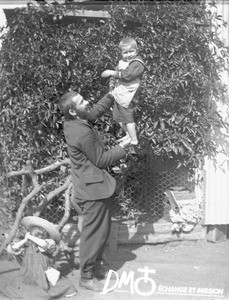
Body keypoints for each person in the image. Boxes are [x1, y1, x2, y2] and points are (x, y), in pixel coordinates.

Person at [59, 91, 130, 292]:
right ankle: (86, 276)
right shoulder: (82, 131)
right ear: (73, 110)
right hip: (91, 191)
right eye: (82, 101)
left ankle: (96, 267)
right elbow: (100, 160)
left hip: (94, 188)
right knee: (94, 235)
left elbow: (93, 113)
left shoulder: (75, 121)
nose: (87, 101)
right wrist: (123, 146)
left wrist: (111, 95)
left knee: (102, 230)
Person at [0, 216, 77, 299]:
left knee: (62, 285)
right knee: (20, 286)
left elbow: (44, 244)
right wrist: (25, 240)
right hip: (29, 275)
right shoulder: (28, 245)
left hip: (44, 275)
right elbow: (12, 249)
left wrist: (31, 237)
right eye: (33, 235)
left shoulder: (49, 243)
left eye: (39, 236)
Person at [101, 37, 145, 146]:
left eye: (131, 51)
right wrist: (111, 86)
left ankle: (134, 140)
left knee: (127, 117)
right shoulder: (122, 62)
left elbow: (127, 75)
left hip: (129, 94)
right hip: (120, 92)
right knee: (117, 115)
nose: (129, 55)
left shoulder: (137, 63)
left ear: (136, 50)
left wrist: (111, 72)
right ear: (121, 53)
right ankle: (128, 135)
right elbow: (116, 74)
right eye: (125, 52)